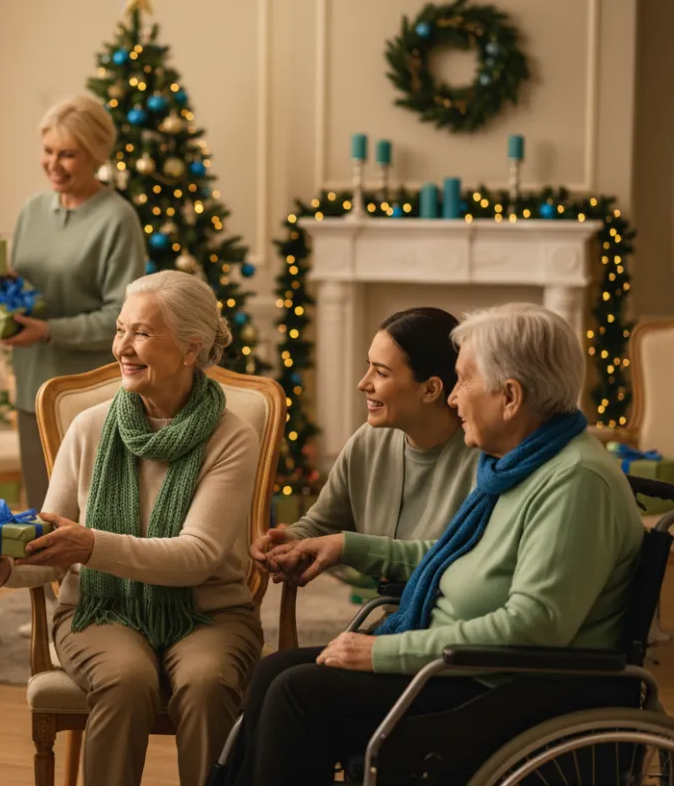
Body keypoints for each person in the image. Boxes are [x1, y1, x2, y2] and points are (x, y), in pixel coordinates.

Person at [229, 303, 644, 784]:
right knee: (274, 673)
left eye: (464, 381)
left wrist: (383, 653)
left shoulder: (574, 482)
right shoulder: (516, 464)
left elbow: (535, 626)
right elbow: (452, 554)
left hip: (504, 685)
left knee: (297, 694)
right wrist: (345, 546)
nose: (453, 399)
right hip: (465, 666)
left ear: (509, 397)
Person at [0, 271, 264, 786]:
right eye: (120, 330)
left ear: (190, 349)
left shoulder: (232, 438)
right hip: (99, 605)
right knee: (125, 678)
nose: (123, 348)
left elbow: (197, 556)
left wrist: (90, 543)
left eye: (141, 333)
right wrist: (0, 566)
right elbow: (55, 549)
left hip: (209, 611)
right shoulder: (90, 426)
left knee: (205, 684)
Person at [250, 308, 479, 580]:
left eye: (381, 373)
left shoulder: (483, 455)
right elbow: (322, 524)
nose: (363, 383)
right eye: (368, 366)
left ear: (430, 389)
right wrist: (291, 540)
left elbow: (458, 560)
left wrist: (348, 547)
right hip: (387, 615)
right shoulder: (368, 441)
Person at [3, 93, 145, 510]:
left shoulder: (118, 219)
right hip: (32, 388)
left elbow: (122, 321)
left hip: (89, 394)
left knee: (90, 514)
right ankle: (43, 581)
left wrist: (48, 332)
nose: (53, 163)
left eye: (68, 154)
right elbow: (26, 289)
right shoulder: (32, 210)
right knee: (39, 512)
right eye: (48, 151)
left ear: (96, 154)